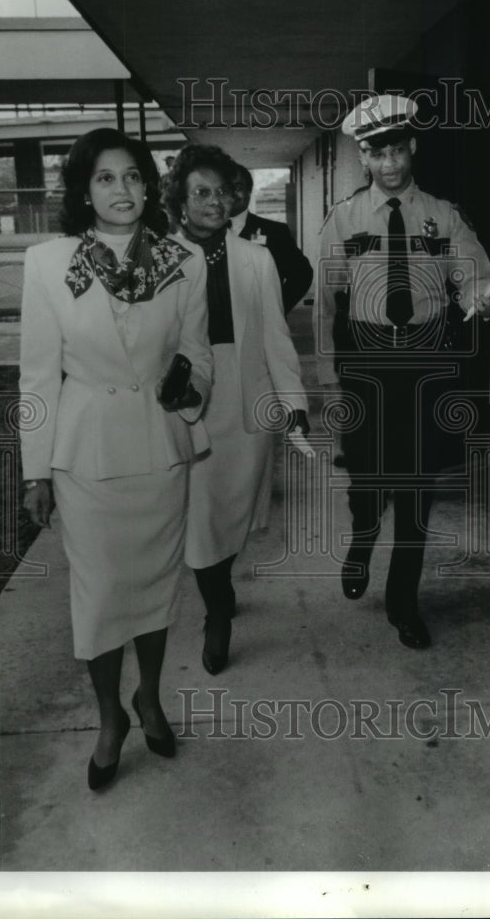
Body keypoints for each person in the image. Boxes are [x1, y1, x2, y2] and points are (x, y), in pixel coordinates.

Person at [19, 128, 212, 790]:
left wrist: (191, 386)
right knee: (100, 597)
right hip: (87, 457)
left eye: (133, 176)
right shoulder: (47, 264)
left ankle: (149, 697)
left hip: (159, 449)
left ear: (149, 186)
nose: (122, 189)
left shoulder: (184, 260)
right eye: (105, 178)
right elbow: (37, 375)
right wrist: (35, 469)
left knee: (154, 589)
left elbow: (198, 351)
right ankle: (110, 719)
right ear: (84, 190)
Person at [313, 95, 490, 649]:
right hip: (366, 364)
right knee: (367, 476)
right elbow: (325, 306)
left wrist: (482, 298)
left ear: (412, 147)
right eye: (378, 154)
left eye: (398, 150)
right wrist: (328, 381)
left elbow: (472, 277)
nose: (390, 164)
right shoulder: (343, 218)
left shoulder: (443, 215)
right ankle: (362, 536)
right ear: (363, 158)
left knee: (417, 485)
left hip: (425, 363)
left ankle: (403, 602)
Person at [163, 144, 309, 675]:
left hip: (249, 401)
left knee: (234, 513)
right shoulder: (160, 259)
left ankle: (219, 586)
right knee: (202, 517)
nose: (214, 201)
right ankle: (218, 611)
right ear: (180, 201)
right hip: (189, 406)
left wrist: (293, 403)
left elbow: (275, 336)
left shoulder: (257, 258)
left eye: (222, 191)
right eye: (201, 192)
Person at [229, 163, 313, 314]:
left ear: (249, 191)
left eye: (238, 188)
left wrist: (276, 308)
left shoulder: (275, 231)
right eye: (225, 188)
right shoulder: (205, 232)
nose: (232, 194)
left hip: (262, 323)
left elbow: (302, 274)